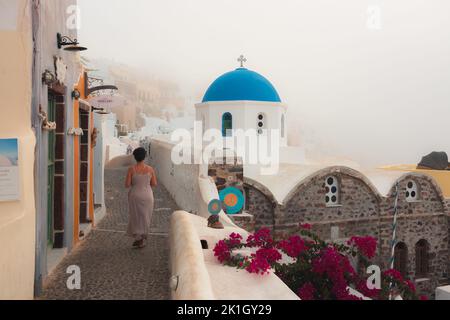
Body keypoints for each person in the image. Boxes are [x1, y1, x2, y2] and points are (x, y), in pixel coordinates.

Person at [125, 147, 157, 248]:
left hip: (135, 195)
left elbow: (127, 184)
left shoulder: (131, 169)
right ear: (144, 157)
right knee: (145, 217)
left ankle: (138, 238)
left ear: (135, 157)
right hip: (147, 195)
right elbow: (154, 183)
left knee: (135, 216)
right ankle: (143, 238)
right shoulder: (150, 169)